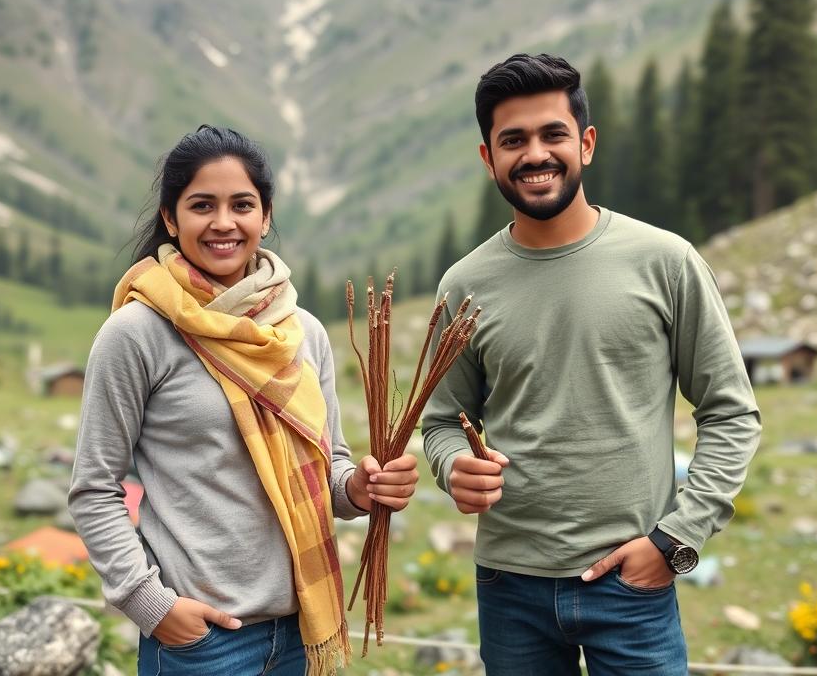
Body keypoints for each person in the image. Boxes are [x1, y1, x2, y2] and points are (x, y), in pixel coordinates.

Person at [421, 54, 761, 675]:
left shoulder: (666, 262)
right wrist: (452, 467)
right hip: (508, 585)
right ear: (487, 158)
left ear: (586, 142)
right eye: (513, 140)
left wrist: (677, 540)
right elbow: (442, 420)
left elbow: (732, 411)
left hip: (633, 587)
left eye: (553, 134)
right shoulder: (463, 285)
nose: (535, 154)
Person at [69, 125, 418, 676]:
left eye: (242, 204)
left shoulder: (302, 332)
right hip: (203, 643)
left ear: (266, 215)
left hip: (301, 633)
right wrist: (151, 606)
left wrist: (362, 488)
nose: (224, 222)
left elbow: (331, 474)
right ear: (170, 218)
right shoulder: (137, 332)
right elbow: (94, 486)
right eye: (202, 205)